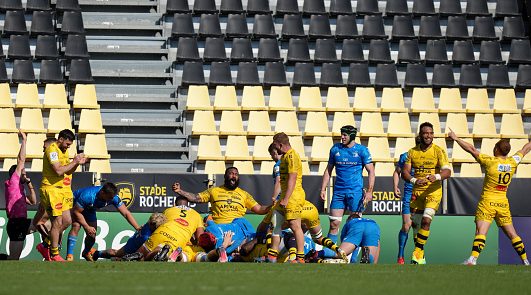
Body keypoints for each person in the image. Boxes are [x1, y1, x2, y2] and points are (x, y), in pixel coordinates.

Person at [448, 129, 531, 265]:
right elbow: (526, 148)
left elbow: (471, 149)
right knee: (512, 234)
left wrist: (456, 139)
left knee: (481, 231)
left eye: (494, 147)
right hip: (503, 203)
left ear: (497, 149)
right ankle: (525, 260)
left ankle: (473, 259)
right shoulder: (513, 161)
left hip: (487, 201)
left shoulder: (490, 162)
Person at [319, 125, 375, 258]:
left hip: (355, 192)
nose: (342, 137)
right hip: (338, 192)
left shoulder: (362, 151)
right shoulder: (335, 149)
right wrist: (323, 188)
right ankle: (328, 253)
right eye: (341, 134)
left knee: (354, 225)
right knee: (334, 223)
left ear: (352, 136)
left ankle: (353, 258)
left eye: (345, 135)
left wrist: (369, 191)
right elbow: (328, 170)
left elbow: (371, 171)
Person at [402, 122, 451, 264]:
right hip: (417, 193)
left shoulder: (438, 151)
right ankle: (420, 255)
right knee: (416, 226)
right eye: (425, 133)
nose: (428, 136)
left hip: (433, 192)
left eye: (431, 133)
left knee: (426, 220)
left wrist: (435, 177)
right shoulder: (412, 152)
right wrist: (414, 180)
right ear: (420, 135)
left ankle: (417, 253)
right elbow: (405, 171)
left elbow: (447, 172)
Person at [36, 129, 87, 261]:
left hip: (62, 190)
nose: (68, 146)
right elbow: (58, 171)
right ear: (61, 139)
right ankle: (55, 254)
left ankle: (44, 245)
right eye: (67, 144)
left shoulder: (64, 151)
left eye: (70, 145)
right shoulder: (52, 151)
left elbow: (68, 172)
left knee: (67, 221)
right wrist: (74, 161)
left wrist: (77, 164)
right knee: (57, 222)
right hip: (51, 189)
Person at [65, 183, 141, 261]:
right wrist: (86, 226)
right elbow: (76, 212)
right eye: (109, 198)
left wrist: (137, 227)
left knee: (92, 234)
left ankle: (86, 252)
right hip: (75, 204)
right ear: (102, 193)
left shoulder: (113, 197)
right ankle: (69, 256)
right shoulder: (88, 195)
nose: (111, 199)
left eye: (112, 197)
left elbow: (126, 213)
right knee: (76, 226)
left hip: (90, 208)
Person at [172, 167, 270, 224]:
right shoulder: (214, 191)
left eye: (236, 174)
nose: (234, 176)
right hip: (218, 226)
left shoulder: (244, 194)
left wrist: (273, 206)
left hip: (237, 226)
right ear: (225, 176)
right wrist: (180, 191)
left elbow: (260, 209)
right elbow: (195, 198)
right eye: (231, 173)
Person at [267, 132, 306, 263]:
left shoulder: (292, 156)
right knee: (275, 222)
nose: (274, 147)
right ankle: (272, 255)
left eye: (275, 144)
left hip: (293, 196)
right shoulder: (284, 157)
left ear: (280, 144)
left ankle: (300, 257)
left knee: (295, 225)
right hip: (285, 195)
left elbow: (292, 179)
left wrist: (286, 198)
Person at [136, 196, 204, 261]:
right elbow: (200, 238)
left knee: (141, 255)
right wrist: (193, 242)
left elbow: (157, 223)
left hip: (161, 233)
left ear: (174, 204)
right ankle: (159, 251)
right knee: (158, 256)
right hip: (178, 239)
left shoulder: (168, 210)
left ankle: (138, 255)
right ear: (188, 205)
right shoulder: (197, 215)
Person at [4, 131, 36, 260]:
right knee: (13, 260)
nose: (25, 174)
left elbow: (33, 201)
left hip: (22, 222)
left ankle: (47, 247)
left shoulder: (20, 189)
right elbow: (21, 160)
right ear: (15, 174)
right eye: (23, 172)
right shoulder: (13, 183)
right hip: (16, 223)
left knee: (44, 223)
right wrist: (24, 140)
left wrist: (29, 183)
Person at [93, 212, 166, 260]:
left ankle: (100, 254)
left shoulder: (151, 221)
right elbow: (141, 253)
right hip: (134, 245)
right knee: (117, 254)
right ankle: (98, 254)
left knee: (117, 254)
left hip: (137, 237)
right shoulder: (146, 237)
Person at [393, 136, 421, 264]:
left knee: (419, 227)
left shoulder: (431, 158)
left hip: (423, 195)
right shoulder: (406, 156)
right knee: (406, 226)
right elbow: (397, 172)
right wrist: (395, 187)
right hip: (409, 194)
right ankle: (400, 256)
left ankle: (418, 256)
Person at [30, 138, 56, 246]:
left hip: (52, 196)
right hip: (51, 195)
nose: (43, 150)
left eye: (44, 147)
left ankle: (48, 247)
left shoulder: (54, 157)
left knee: (39, 223)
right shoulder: (52, 159)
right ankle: (49, 249)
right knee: (49, 225)